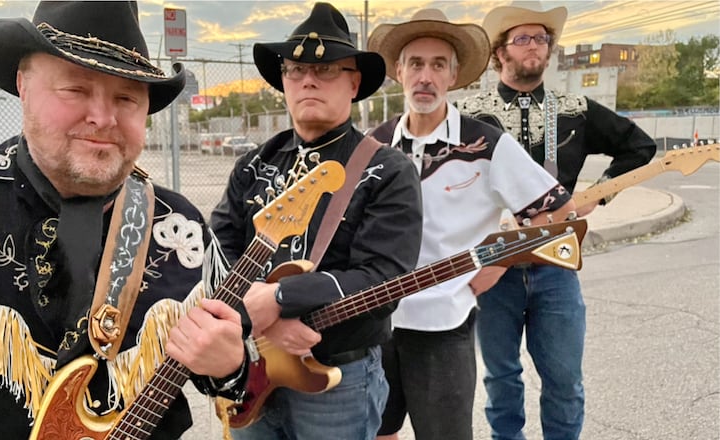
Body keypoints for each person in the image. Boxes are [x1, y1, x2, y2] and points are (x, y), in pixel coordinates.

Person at [0, 2, 248, 439]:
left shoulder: (181, 228)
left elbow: (235, 384)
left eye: (126, 98)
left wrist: (231, 366)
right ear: (24, 85)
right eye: (75, 90)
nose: (103, 117)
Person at [209, 3, 423, 439]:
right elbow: (218, 248)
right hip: (252, 365)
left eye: (325, 69)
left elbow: (384, 278)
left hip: (337, 380)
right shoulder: (254, 164)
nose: (307, 78)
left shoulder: (388, 170)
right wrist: (266, 321)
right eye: (295, 69)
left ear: (354, 82)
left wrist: (281, 298)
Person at [367, 9, 577, 440]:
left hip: (443, 325)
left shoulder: (487, 144)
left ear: (454, 74)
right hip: (377, 321)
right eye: (416, 64)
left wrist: (498, 263)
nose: (426, 76)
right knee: (376, 431)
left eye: (438, 65)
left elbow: (555, 210)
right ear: (399, 72)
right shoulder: (373, 145)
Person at [458, 2, 657, 439]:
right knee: (500, 379)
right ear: (499, 53)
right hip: (496, 266)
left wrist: (595, 196)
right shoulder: (470, 115)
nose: (534, 46)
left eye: (542, 38)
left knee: (565, 381)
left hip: (557, 264)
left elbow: (638, 147)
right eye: (522, 38)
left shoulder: (574, 108)